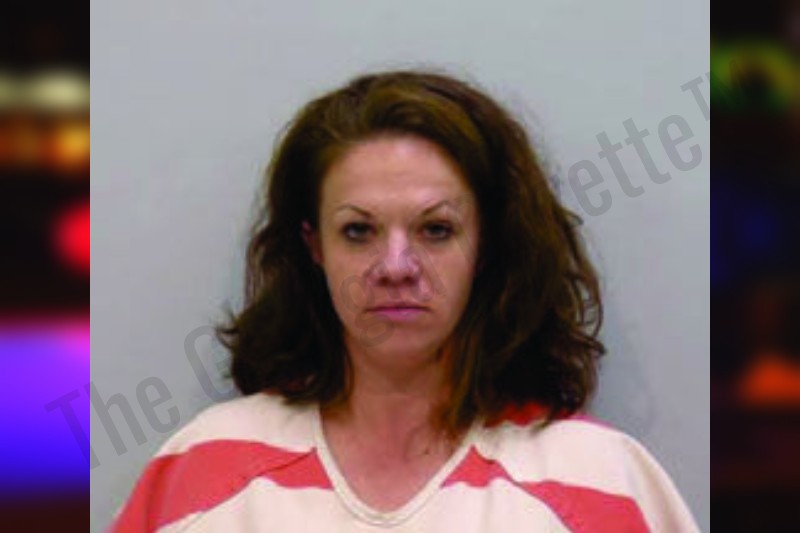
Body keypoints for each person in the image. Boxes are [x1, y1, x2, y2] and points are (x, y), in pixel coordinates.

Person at [110, 69, 699, 532]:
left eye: (436, 230)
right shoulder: (201, 470)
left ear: (486, 245)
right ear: (313, 245)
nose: (396, 267)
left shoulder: (603, 480)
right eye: (358, 231)